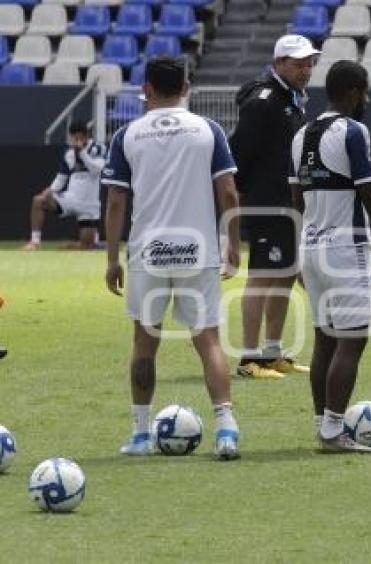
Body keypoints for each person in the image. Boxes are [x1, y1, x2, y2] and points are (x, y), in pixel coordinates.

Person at [102, 56, 242, 460]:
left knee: (144, 345)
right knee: (208, 340)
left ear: (146, 89)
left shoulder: (127, 135)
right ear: (186, 87)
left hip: (148, 252)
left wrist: (112, 259)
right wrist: (233, 241)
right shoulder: (207, 130)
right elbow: (229, 192)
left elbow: (115, 201)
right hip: (198, 249)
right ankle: (227, 430)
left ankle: (142, 435)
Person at [289, 60, 371, 453]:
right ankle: (333, 432)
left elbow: (296, 198)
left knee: (325, 339)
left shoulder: (301, 133)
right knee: (352, 340)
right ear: (354, 92)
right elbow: (370, 192)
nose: (367, 100)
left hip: (311, 245)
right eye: (365, 92)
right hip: (346, 247)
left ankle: (324, 425)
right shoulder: (354, 132)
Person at [228, 34, 319, 379]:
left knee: (282, 277)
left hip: (288, 203)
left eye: (309, 63)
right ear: (279, 63)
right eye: (298, 64)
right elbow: (241, 154)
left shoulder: (292, 98)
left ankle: (272, 352)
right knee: (263, 277)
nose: (306, 69)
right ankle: (249, 358)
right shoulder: (264, 101)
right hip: (268, 203)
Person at [24, 121, 106, 250]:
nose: (76, 141)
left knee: (87, 247)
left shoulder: (98, 148)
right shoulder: (68, 154)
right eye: (74, 138)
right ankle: (35, 242)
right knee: (38, 200)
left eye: (79, 138)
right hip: (70, 199)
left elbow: (97, 169)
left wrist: (82, 153)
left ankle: (82, 244)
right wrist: (50, 190)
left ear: (86, 136)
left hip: (89, 206)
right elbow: (61, 178)